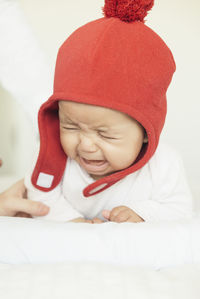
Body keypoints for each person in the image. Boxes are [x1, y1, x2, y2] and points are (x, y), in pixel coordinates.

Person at [5, 0, 195, 223]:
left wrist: (143, 213)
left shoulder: (164, 164)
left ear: (145, 131)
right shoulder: (54, 154)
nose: (85, 145)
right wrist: (73, 222)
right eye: (70, 126)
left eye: (105, 134)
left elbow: (180, 209)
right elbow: (40, 195)